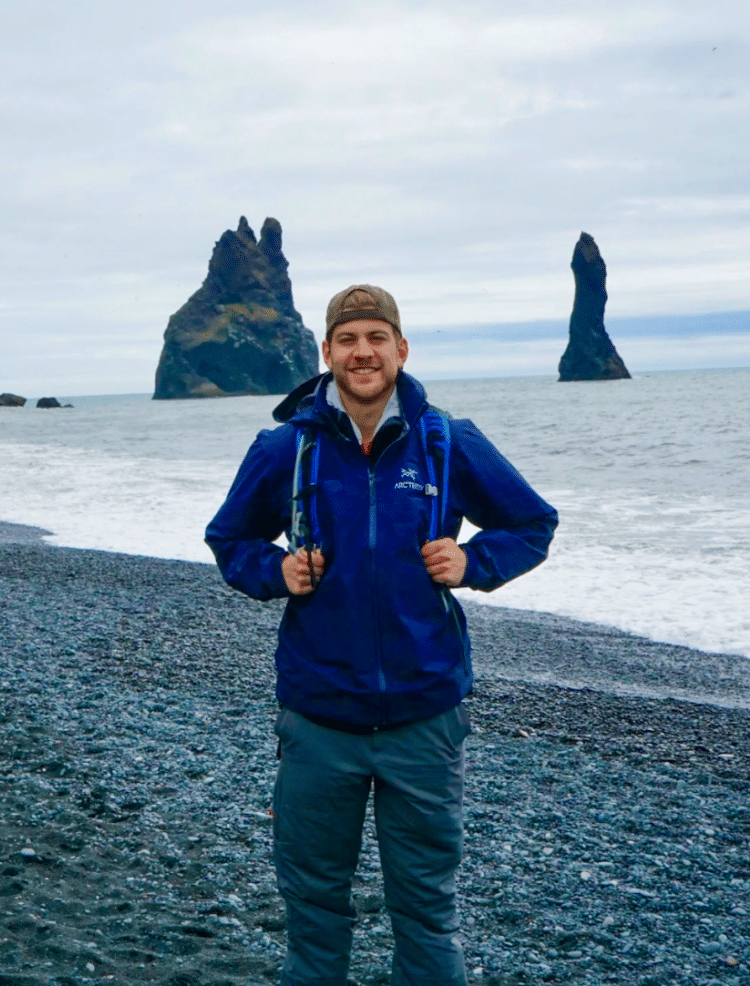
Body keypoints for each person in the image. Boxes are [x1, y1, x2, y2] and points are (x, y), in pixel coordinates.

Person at [205, 285, 558, 986]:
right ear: (327, 353)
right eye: (347, 338)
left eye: (376, 336)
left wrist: (474, 562)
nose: (362, 350)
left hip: (424, 719)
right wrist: (276, 568)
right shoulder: (287, 448)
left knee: (426, 913)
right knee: (314, 913)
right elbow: (229, 538)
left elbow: (533, 523)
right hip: (318, 719)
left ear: (401, 348)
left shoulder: (447, 443)